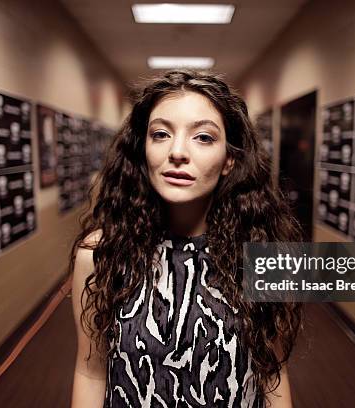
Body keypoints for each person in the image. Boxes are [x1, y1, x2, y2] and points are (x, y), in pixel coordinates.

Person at [70, 70, 303, 407]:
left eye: (203, 137)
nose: (177, 151)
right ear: (143, 150)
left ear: (229, 161)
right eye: (161, 134)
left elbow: (273, 374)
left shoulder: (265, 255)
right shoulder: (100, 254)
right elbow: (90, 373)